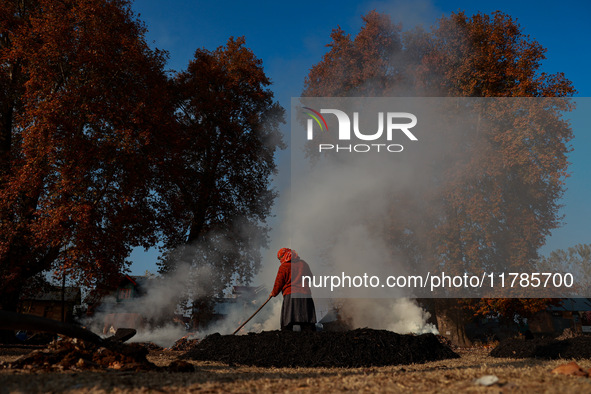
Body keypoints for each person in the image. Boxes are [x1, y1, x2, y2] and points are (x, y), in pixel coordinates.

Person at [270, 248, 317, 332]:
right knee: (308, 325)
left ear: (285, 255)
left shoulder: (284, 267)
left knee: (287, 324)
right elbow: (310, 277)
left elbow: (279, 283)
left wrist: (273, 293)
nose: (280, 260)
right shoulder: (303, 264)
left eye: (280, 258)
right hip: (305, 296)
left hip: (291, 296)